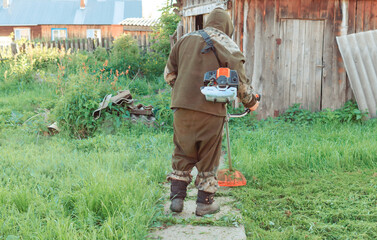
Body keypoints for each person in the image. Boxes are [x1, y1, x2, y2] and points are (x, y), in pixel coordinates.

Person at [164, 8, 259, 216]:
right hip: (211, 109)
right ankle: (205, 203)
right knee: (209, 154)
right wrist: (251, 103)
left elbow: (169, 75)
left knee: (182, 150)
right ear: (227, 26)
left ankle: (177, 199)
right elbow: (240, 84)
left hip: (181, 107)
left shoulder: (184, 40)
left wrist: (184, 92)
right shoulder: (227, 44)